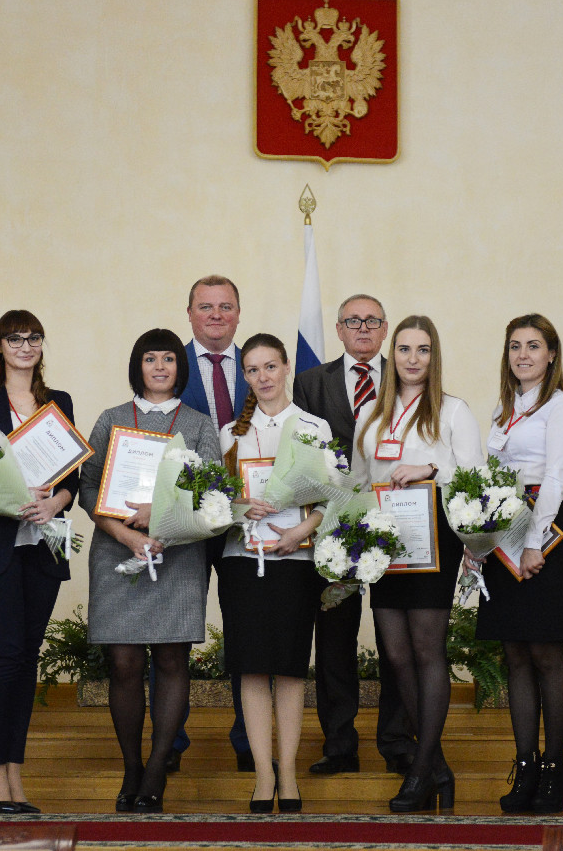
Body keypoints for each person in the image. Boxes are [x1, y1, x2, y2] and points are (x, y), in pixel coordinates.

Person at [81, 328, 222, 813]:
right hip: (117, 552)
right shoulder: (112, 419)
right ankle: (131, 768)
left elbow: (211, 496)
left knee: (170, 662)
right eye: (149, 358)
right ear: (137, 366)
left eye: (168, 358)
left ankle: (158, 768)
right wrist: (128, 534)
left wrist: (161, 526)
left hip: (177, 556)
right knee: (123, 664)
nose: (160, 366)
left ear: (180, 367)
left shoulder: (201, 424)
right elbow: (89, 488)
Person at [350, 315, 483, 812]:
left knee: (427, 652)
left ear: (434, 356)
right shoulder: (372, 414)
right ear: (392, 355)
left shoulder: (452, 411)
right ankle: (437, 767)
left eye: (423, 350)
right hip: (385, 547)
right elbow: (360, 482)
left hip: (434, 543)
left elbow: (474, 474)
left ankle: (420, 771)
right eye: (404, 349)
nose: (412, 359)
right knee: (396, 655)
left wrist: (431, 467)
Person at [0, 310, 78, 814]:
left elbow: (75, 476)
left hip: (44, 542)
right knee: (6, 654)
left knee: (28, 660)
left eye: (33, 337)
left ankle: (14, 773)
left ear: (42, 345)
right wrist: (7, 494)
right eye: (15, 338)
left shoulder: (58, 403)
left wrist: (56, 501)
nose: (25, 345)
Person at [293, 294, 413, 776]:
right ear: (339, 330)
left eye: (372, 321)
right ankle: (339, 743)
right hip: (332, 527)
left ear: (385, 330)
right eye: (352, 321)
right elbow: (300, 455)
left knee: (396, 639)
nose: (362, 328)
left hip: (395, 523)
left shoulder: (406, 376)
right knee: (335, 638)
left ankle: (398, 740)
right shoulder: (309, 382)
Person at [472, 314, 563, 814]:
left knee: (545, 651)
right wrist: (478, 539)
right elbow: (486, 476)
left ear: (551, 354)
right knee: (513, 651)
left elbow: (555, 477)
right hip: (504, 529)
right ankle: (526, 765)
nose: (523, 355)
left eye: (533, 346)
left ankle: (556, 767)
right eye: (515, 346)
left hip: (544, 528)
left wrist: (535, 542)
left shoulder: (560, 405)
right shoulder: (502, 408)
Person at [218, 334, 328, 813]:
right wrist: (241, 507)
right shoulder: (230, 434)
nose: (262, 377)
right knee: (251, 665)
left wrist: (300, 529)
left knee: (287, 668)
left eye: (270, 367)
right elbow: (213, 502)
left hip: (295, 560)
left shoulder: (313, 427)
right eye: (252, 370)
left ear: (286, 369)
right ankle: (262, 774)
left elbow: (330, 498)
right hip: (243, 561)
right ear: (244, 377)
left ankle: (288, 773)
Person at [173, 274, 253, 772]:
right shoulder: (166, 363)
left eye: (226, 306)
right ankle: (170, 741)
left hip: (245, 523)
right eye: (206, 307)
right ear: (190, 314)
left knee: (246, 630)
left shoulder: (258, 365)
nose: (216, 315)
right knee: (175, 631)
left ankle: (249, 740)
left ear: (239, 314)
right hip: (184, 523)